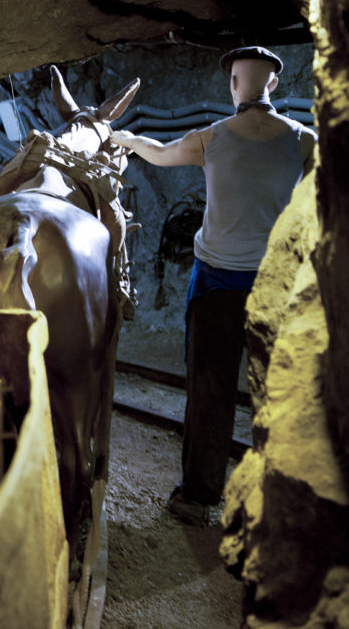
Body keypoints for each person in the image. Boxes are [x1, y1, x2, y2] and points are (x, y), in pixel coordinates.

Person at [110, 46, 317, 525]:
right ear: (275, 85)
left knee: (209, 390)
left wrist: (127, 139)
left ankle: (198, 498)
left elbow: (159, 156)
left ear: (233, 85)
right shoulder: (304, 140)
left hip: (216, 285)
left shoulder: (212, 137)